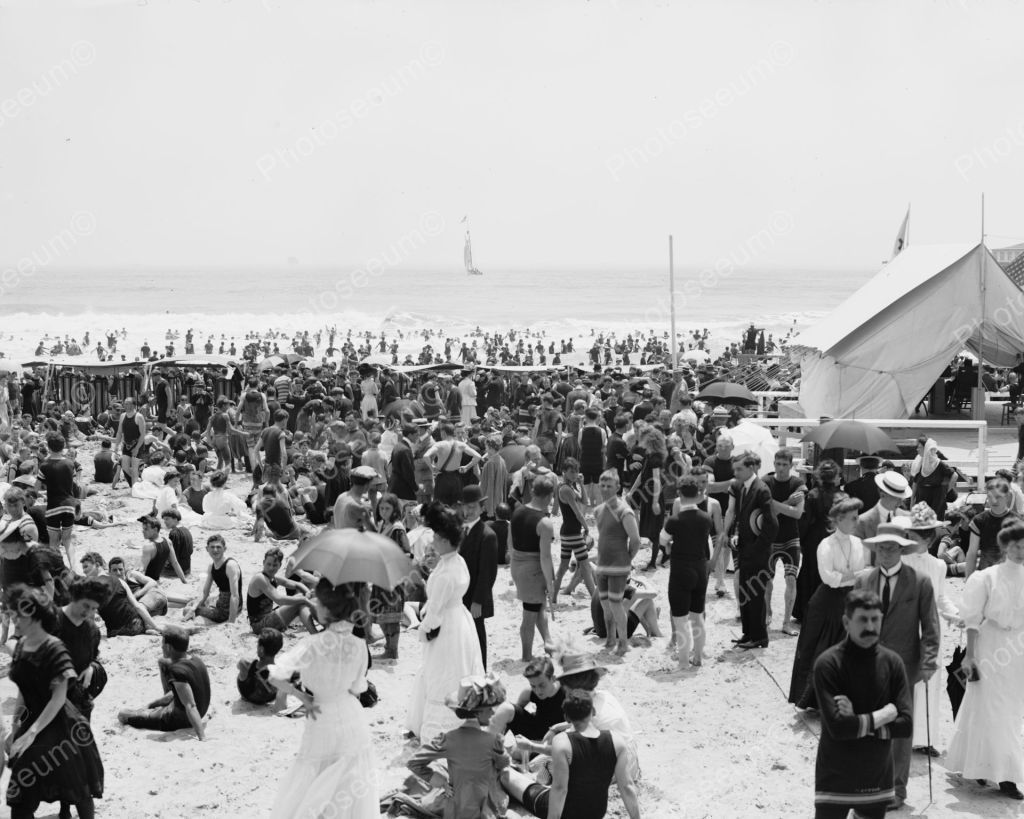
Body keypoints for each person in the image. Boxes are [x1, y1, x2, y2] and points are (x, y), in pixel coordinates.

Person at [267, 580, 379, 818]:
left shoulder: (311, 644)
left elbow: (274, 675)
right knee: (349, 783)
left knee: (314, 775)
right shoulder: (359, 645)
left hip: (320, 713)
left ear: (327, 610)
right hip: (350, 715)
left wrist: (300, 696)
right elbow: (359, 688)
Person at [855, 524, 941, 810]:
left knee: (898, 732)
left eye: (892, 548)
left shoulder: (920, 582)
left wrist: (928, 663)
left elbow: (930, 628)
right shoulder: (864, 581)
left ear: (902, 550)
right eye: (881, 548)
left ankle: (896, 790)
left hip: (904, 667)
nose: (886, 553)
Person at [811, 589, 913, 819]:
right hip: (835, 776)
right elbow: (838, 729)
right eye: (862, 619)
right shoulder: (828, 664)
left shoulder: (893, 663)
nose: (870, 626)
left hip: (876, 777)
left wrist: (857, 719)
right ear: (846, 622)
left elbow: (906, 725)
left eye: (875, 619)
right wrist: (885, 714)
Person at [5, 585, 104, 819]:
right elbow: (23, 690)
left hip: (62, 724)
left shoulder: (56, 648)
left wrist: (31, 733)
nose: (13, 623)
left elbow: (58, 696)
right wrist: (16, 726)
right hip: (36, 720)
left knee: (77, 789)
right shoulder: (25, 646)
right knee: (22, 799)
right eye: (11, 616)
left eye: (17, 617)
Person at [946, 518, 1024, 800]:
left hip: (1016, 650)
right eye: (1014, 545)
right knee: (986, 707)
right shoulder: (987, 577)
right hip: (989, 646)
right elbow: (973, 620)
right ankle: (984, 768)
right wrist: (970, 655)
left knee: (1012, 712)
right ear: (1004, 546)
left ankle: (1006, 772)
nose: (1020, 550)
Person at [406, 502, 485, 743]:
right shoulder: (456, 561)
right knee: (459, 669)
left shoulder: (446, 571)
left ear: (445, 540)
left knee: (442, 673)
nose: (433, 542)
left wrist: (423, 630)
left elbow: (436, 612)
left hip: (447, 626)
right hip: (460, 620)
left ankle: (441, 728)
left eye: (437, 538)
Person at [501, 690, 641, 819]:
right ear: (593, 711)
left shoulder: (562, 742)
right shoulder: (617, 742)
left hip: (565, 812)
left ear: (567, 717)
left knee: (506, 775)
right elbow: (627, 787)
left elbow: (560, 790)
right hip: (596, 812)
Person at [893, 503, 962, 756]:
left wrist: (956, 615)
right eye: (915, 533)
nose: (919, 538)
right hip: (906, 628)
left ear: (930, 536)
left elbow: (941, 597)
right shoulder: (900, 562)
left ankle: (925, 737)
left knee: (930, 681)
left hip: (932, 630)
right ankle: (903, 733)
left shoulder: (938, 566)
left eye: (923, 534)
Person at [788, 497, 867, 708]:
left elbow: (856, 574)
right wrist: (857, 574)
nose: (856, 522)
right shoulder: (826, 544)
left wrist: (851, 576)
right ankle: (813, 699)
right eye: (852, 518)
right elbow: (829, 578)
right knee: (820, 651)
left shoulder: (858, 543)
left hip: (849, 600)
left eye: (857, 517)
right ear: (839, 519)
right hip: (826, 604)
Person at [407, 673, 510, 819]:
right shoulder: (492, 741)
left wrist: (440, 781)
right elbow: (503, 765)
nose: (493, 712)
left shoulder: (448, 739)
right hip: (485, 807)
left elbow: (413, 762)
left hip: (455, 809)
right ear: (478, 712)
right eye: (489, 709)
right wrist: (501, 749)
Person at [117, 625, 211, 740]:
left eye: (162, 643)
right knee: (163, 662)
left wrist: (202, 737)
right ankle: (162, 708)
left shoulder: (177, 671)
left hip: (182, 719)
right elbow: (179, 693)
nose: (161, 647)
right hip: (200, 711)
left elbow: (190, 705)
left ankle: (161, 712)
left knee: (123, 714)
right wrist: (151, 705)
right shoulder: (196, 660)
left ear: (168, 647)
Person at [725, 452, 778, 650]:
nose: (735, 472)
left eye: (739, 469)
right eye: (735, 469)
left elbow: (771, 525)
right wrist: (737, 534)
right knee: (745, 593)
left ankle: (759, 637)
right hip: (745, 548)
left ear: (750, 468)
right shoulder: (742, 488)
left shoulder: (761, 490)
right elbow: (744, 517)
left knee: (756, 595)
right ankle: (748, 633)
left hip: (758, 552)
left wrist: (756, 549)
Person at [661, 475, 713, 671]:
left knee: (681, 619)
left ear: (679, 494)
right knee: (698, 616)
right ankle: (698, 656)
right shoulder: (706, 518)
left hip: (681, 570)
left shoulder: (675, 520)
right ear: (698, 493)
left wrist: (669, 546)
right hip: (700, 568)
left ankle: (683, 661)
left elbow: (663, 540)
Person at [510, 472, 557, 661]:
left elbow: (510, 543)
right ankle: (526, 656)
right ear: (549, 496)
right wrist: (550, 582)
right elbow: (545, 557)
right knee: (529, 616)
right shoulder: (544, 523)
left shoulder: (518, 510)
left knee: (539, 607)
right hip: (533, 570)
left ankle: (548, 642)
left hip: (517, 565)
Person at [593, 469, 641, 655]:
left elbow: (635, 539)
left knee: (616, 605)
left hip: (618, 566)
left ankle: (623, 642)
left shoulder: (624, 510)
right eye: (602, 485)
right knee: (605, 604)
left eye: (609, 486)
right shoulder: (598, 510)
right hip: (602, 564)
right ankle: (611, 638)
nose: (605, 489)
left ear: (617, 487)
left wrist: (627, 559)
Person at [55, 576, 109, 721]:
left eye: (94, 608)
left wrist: (90, 667)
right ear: (74, 597)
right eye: (86, 606)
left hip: (77, 699)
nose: (89, 613)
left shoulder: (93, 631)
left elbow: (91, 658)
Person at [764, 450, 805, 635]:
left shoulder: (798, 483)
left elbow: (797, 514)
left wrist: (774, 503)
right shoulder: (765, 482)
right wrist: (788, 502)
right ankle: (767, 613)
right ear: (774, 463)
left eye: (784, 465)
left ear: (791, 466)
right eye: (778, 464)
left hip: (791, 537)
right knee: (766, 580)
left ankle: (786, 622)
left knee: (791, 579)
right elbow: (765, 512)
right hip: (770, 537)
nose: (780, 468)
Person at [458, 486, 499, 668]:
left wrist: (478, 600)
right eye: (466, 507)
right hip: (458, 595)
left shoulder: (487, 535)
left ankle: (481, 671)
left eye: (473, 506)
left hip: (474, 596)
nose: (468, 511)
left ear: (482, 508)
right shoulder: (460, 530)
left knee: (477, 635)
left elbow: (488, 573)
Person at [80, 552, 162, 636]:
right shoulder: (121, 581)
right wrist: (156, 626)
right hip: (135, 626)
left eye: (86, 567)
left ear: (97, 565)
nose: (84, 571)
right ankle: (147, 629)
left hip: (114, 632)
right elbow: (137, 606)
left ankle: (147, 629)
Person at [487, 657, 566, 743]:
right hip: (536, 733)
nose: (538, 691)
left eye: (542, 685)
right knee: (506, 708)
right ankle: (488, 747)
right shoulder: (528, 692)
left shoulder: (567, 693)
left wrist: (555, 729)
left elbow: (579, 724)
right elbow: (513, 716)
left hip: (560, 740)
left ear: (553, 678)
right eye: (533, 686)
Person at [553, 459, 596, 602]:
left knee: (564, 566)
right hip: (573, 533)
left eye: (576, 471)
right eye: (571, 471)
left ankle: (553, 598)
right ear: (564, 472)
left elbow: (585, 502)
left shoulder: (568, 487)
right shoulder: (566, 489)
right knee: (585, 567)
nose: (574, 474)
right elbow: (578, 512)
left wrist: (581, 484)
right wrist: (586, 527)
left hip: (567, 532)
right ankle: (595, 598)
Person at [246, 546, 316, 634]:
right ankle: (315, 633)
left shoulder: (274, 578)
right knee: (299, 601)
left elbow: (297, 584)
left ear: (280, 565)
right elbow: (279, 600)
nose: (271, 568)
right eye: (268, 564)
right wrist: (305, 599)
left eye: (275, 565)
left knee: (300, 599)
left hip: (269, 618)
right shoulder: (260, 578)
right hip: (259, 625)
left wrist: (307, 592)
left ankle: (315, 631)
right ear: (263, 563)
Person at [38, 433, 79, 577]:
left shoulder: (44, 466)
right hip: (69, 504)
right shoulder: (70, 463)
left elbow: (37, 487)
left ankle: (54, 571)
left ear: (49, 448)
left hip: (53, 506)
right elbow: (73, 483)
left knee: (53, 541)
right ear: (64, 447)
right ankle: (75, 569)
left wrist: (43, 494)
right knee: (67, 539)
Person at [965, 478, 1019, 576]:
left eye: (998, 497)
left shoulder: (1016, 521)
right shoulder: (979, 520)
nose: (994, 501)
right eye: (990, 497)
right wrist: (969, 579)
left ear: (1007, 497)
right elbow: (972, 552)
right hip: (985, 575)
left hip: (1010, 575)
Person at [185, 534, 243, 624]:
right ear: (207, 549)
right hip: (219, 602)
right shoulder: (212, 566)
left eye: (218, 547)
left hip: (225, 612)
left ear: (225, 549)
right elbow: (205, 593)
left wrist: (231, 622)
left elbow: (235, 596)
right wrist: (193, 608)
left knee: (186, 610)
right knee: (192, 604)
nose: (215, 550)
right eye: (212, 547)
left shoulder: (230, 565)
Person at [853, 471, 912, 541]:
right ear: (882, 495)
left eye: (901, 499)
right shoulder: (861, 522)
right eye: (896, 498)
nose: (900, 503)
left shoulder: (908, 518)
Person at [236, 627, 284, 707]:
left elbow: (238, 666)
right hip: (268, 699)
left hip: (246, 695)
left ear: (261, 649)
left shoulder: (246, 663)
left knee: (242, 668)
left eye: (257, 645)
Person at [910, 437, 955, 519]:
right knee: (921, 524)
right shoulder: (919, 463)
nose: (917, 449)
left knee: (935, 524)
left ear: (926, 448)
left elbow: (954, 476)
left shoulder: (938, 463)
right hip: (921, 498)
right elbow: (915, 483)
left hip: (936, 499)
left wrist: (945, 492)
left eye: (919, 447)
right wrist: (912, 501)